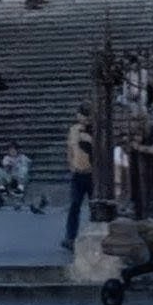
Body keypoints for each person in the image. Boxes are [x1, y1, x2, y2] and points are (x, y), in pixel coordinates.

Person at [62, 104, 95, 252]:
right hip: (78, 172)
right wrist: (70, 164)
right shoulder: (73, 130)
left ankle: (95, 232)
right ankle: (70, 236)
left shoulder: (95, 130)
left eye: (84, 115)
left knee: (95, 205)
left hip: (92, 173)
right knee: (74, 205)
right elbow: (70, 148)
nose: (81, 118)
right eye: (80, 115)